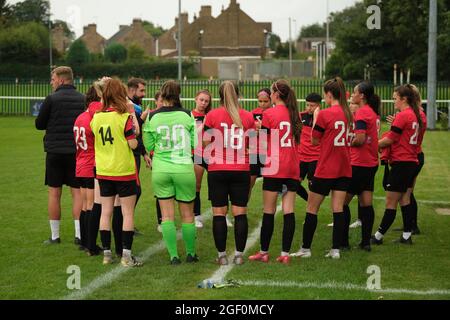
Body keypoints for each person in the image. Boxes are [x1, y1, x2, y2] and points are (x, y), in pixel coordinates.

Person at [292, 77, 353, 260]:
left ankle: (305, 248)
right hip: (344, 167)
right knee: (338, 208)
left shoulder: (325, 114)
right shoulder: (349, 113)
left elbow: (314, 139)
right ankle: (335, 250)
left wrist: (319, 119)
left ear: (328, 94)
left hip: (326, 167)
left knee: (312, 208)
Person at [143, 80, 198, 265]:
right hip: (183, 168)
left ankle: (174, 256)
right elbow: (194, 144)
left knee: (166, 216)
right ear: (178, 94)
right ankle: (190, 254)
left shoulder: (152, 117)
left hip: (161, 169)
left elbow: (149, 146)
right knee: (188, 215)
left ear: (162, 94)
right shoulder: (188, 114)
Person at [90, 78, 142, 267]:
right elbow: (133, 143)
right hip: (123, 170)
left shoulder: (96, 117)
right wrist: (132, 118)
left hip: (104, 170)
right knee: (127, 213)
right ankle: (126, 257)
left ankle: (106, 254)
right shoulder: (123, 117)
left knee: (106, 212)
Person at [203, 81, 256, 266]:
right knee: (240, 212)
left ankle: (222, 255)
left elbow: (204, 142)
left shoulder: (212, 115)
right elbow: (252, 144)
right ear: (238, 94)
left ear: (219, 96)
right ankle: (239, 255)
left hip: (217, 169)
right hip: (240, 169)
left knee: (219, 213)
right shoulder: (247, 116)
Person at [248, 80, 301, 264]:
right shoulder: (294, 113)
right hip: (293, 165)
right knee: (289, 211)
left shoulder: (269, 113)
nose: (269, 95)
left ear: (276, 95)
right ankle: (285, 254)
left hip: (275, 166)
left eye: (271, 92)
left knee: (269, 211)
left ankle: (264, 252)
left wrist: (258, 130)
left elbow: (263, 143)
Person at [35, 66, 85, 245]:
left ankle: (55, 236)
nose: (51, 82)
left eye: (53, 78)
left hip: (55, 152)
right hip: (76, 152)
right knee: (77, 193)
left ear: (62, 80)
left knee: (54, 193)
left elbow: (39, 124)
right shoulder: (83, 99)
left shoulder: (52, 99)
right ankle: (79, 235)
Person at [372, 84, 423, 245]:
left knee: (391, 201)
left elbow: (389, 139)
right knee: (404, 199)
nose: (393, 101)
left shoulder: (404, 115)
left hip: (402, 163)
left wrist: (372, 145)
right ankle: (407, 235)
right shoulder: (416, 114)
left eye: (395, 98)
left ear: (404, 99)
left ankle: (378, 236)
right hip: (411, 161)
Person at [342, 81, 380, 252]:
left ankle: (342, 242)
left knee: (341, 203)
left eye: (355, 92)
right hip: (370, 163)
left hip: (359, 164)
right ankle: (365, 242)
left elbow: (360, 139)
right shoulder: (371, 111)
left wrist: (345, 142)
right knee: (366, 203)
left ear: (362, 95)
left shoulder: (363, 113)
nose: (352, 94)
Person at [73, 86, 100, 251]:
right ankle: (91, 245)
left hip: (80, 164)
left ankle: (84, 242)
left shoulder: (79, 117)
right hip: (90, 164)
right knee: (91, 204)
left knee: (84, 204)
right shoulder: (93, 117)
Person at [192, 89, 212, 228]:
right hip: (197, 154)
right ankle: (196, 215)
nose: (203, 103)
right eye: (201, 100)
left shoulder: (211, 115)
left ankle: (223, 215)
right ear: (195, 99)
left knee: (218, 186)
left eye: (206, 101)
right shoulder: (189, 115)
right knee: (196, 186)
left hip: (211, 155)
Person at [297, 93, 322, 201]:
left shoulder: (323, 117)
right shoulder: (301, 116)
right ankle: (309, 201)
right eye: (307, 105)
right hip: (301, 156)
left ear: (318, 105)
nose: (309, 108)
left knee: (313, 186)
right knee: (294, 183)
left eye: (312, 106)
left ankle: (311, 210)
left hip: (315, 157)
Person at [249, 88, 272, 195]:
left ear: (271, 100)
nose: (262, 104)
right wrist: (254, 131)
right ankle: (243, 207)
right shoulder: (252, 113)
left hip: (269, 153)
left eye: (265, 101)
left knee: (269, 185)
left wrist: (264, 129)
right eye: (260, 101)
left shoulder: (274, 113)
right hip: (254, 153)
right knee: (248, 183)